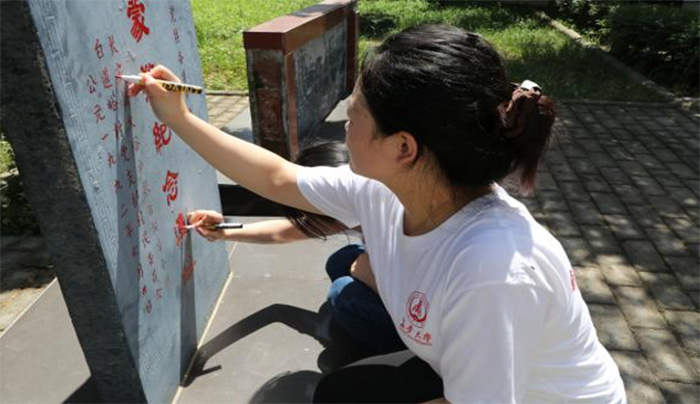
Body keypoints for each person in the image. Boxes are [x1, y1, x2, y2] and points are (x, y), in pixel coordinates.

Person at [130, 24, 626, 403]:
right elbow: (277, 178)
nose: (346, 125)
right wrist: (180, 118)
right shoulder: (387, 191)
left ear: (403, 147)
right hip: (477, 377)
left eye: (356, 114)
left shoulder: (492, 272)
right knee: (337, 394)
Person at [189, 141, 405, 354]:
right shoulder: (362, 197)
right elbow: (283, 231)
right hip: (397, 277)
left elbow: (416, 291)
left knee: (341, 294)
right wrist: (222, 231)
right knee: (340, 261)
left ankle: (399, 353)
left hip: (424, 316)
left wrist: (365, 272)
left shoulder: (396, 222)